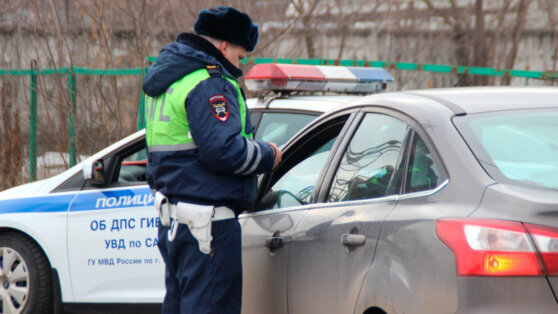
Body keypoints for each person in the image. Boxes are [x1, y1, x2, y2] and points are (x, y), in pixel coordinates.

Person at [142, 6, 281, 314]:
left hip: (175, 222)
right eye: (240, 56)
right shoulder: (209, 80)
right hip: (209, 229)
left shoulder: (168, 79)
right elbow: (225, 151)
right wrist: (269, 154)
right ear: (223, 46)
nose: (240, 65)